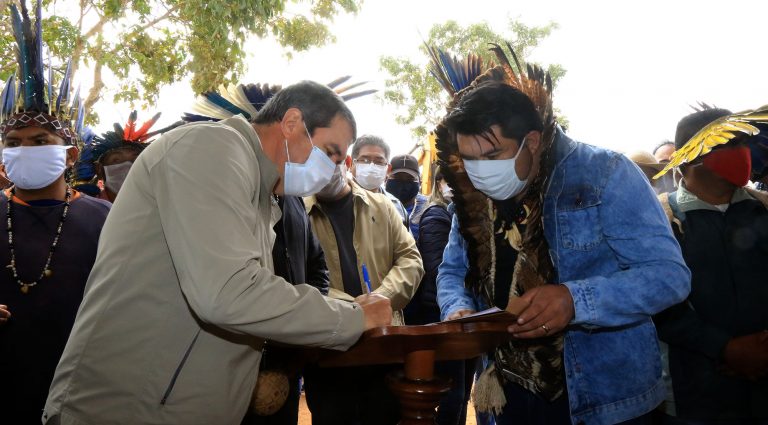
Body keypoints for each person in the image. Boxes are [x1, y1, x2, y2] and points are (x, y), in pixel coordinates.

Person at [43, 80, 393, 425]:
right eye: (330, 153)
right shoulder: (211, 148)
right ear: (291, 124)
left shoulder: (262, 195)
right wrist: (352, 319)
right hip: (128, 407)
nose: (333, 169)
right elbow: (228, 291)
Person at [431, 43, 690, 425]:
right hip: (506, 395)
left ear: (531, 142)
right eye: (469, 159)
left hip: (602, 399)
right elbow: (452, 271)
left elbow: (669, 277)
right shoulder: (473, 195)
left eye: (491, 156)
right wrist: (458, 309)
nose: (478, 171)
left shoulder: (605, 174)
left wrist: (576, 300)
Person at [0, 3, 111, 423]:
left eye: (40, 139)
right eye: (14, 141)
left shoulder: (106, 220)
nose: (24, 149)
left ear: (71, 154)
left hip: (81, 393)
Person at [654, 107, 768, 424]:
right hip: (695, 396)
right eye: (728, 144)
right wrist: (726, 349)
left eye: (743, 142)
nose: (741, 152)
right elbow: (657, 303)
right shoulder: (661, 222)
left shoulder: (762, 210)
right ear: (690, 157)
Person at [303, 159, 424, 425]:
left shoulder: (382, 206)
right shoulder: (298, 210)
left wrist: (382, 299)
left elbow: (411, 260)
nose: (322, 167)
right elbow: (297, 283)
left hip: (385, 348)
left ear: (346, 161)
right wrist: (356, 310)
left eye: (331, 156)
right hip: (330, 352)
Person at [350, 134, 408, 224]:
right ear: (351, 164)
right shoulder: (338, 202)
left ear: (388, 169)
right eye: (365, 160)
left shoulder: (397, 207)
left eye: (379, 162)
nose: (371, 166)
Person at [387, 154, 429, 240]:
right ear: (386, 179)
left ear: (420, 183)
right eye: (397, 178)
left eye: (410, 179)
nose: (403, 182)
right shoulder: (376, 205)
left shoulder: (428, 210)